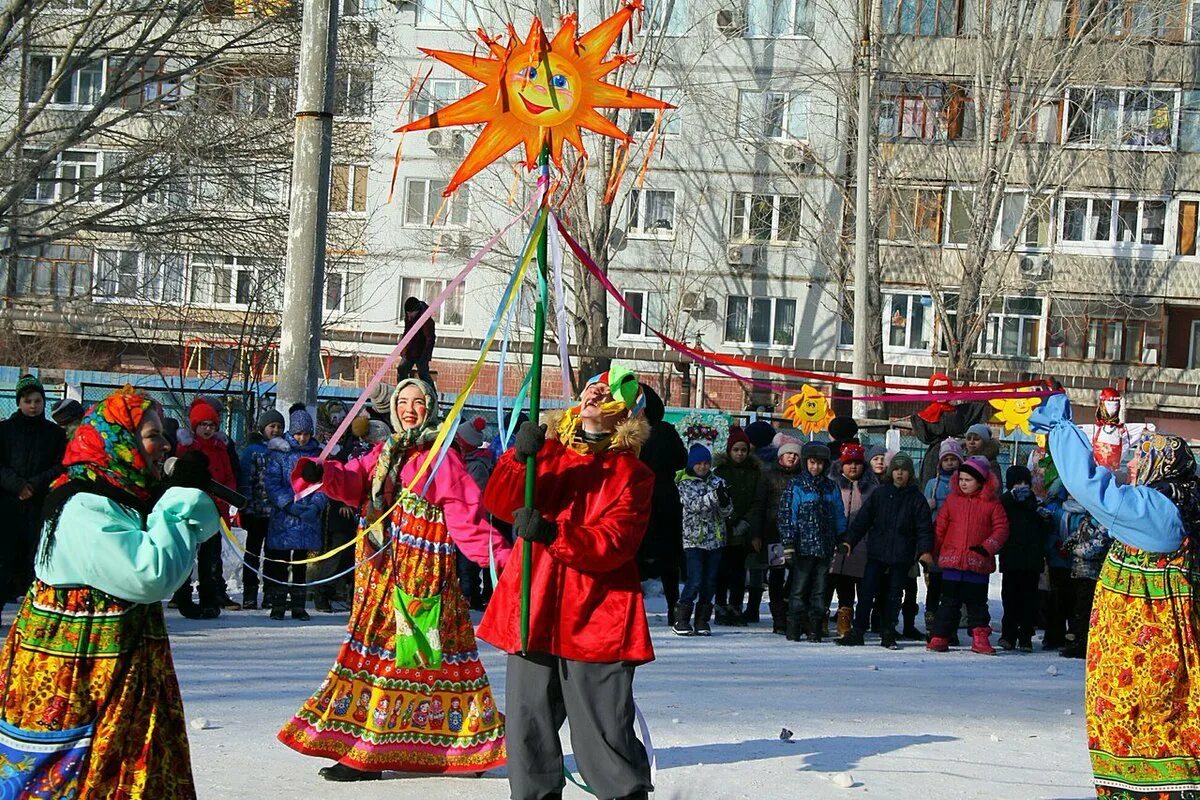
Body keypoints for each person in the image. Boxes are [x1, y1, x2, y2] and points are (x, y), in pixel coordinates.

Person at [279, 379, 510, 781]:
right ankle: (462, 750)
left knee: (415, 663)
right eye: (402, 401)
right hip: (379, 580)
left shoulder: (442, 460)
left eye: (417, 402)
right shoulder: (383, 453)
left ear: (431, 407)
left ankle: (377, 754)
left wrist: (506, 561)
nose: (408, 408)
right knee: (400, 664)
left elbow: (468, 520)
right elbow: (352, 482)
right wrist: (321, 470)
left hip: (421, 582)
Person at [0, 388, 220, 798]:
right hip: (78, 677)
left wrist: (183, 495)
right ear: (118, 441)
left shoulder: (121, 495)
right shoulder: (84, 503)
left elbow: (183, 541)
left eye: (163, 435)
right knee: (71, 780)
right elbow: (152, 574)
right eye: (152, 435)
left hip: (118, 671)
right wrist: (179, 502)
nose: (165, 445)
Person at [478, 365, 655, 800]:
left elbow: (615, 543)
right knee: (527, 725)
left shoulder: (632, 475)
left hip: (597, 617)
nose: (597, 394)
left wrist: (555, 534)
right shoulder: (550, 452)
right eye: (593, 388)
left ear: (628, 415)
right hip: (531, 607)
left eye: (611, 393)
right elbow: (500, 503)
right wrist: (519, 459)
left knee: (604, 731)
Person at [1032, 394, 1200, 798]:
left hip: (1146, 659)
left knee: (1148, 732)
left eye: (1140, 458)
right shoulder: (1176, 505)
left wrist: (1061, 431)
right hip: (1141, 655)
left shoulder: (1159, 512)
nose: (1131, 464)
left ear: (1162, 465)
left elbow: (1094, 490)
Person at [837, 452, 933, 649]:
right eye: (896, 469)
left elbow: (924, 528)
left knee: (894, 595)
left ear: (910, 474)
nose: (899, 474)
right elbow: (863, 520)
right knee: (866, 593)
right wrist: (849, 541)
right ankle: (858, 631)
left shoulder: (916, 498)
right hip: (877, 553)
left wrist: (924, 551)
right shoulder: (880, 494)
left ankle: (888, 632)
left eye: (904, 470)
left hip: (901, 555)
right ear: (891, 472)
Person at [0, 374, 66, 622]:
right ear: (19, 402)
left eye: (37, 401)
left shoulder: (53, 434)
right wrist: (17, 485)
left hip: (38, 505)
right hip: (7, 504)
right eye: (28, 400)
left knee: (35, 560)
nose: (33, 406)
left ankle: (34, 617)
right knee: (3, 560)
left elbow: (59, 466)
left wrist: (35, 485)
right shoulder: (5, 430)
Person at [927, 456, 1009, 655]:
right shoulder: (952, 501)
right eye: (961, 479)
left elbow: (1001, 529)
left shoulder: (992, 504)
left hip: (978, 562)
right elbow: (940, 527)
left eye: (968, 480)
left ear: (981, 481)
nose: (963, 483)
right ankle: (941, 635)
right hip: (952, 562)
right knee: (948, 602)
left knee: (977, 604)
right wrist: (931, 550)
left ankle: (980, 637)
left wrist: (987, 547)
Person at [171, 397, 240, 618]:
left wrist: (226, 499)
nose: (207, 429)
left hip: (214, 510)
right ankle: (183, 597)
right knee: (187, 556)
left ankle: (210, 598)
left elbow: (228, 477)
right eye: (203, 425)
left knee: (211, 558)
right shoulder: (186, 449)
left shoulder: (221, 449)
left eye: (211, 425)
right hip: (191, 511)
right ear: (195, 426)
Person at [262, 409, 328, 621]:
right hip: (284, 518)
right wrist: (288, 504)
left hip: (307, 519)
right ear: (292, 431)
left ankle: (299, 606)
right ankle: (278, 604)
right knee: (281, 563)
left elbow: (324, 485)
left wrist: (316, 507)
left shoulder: (319, 455)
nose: (302, 438)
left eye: (306, 434)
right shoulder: (280, 453)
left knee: (300, 564)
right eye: (298, 433)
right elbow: (272, 483)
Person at [778, 442, 847, 642]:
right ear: (806, 463)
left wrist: (842, 536)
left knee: (820, 590)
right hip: (802, 547)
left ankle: (815, 627)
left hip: (825, 547)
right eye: (812, 462)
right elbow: (787, 514)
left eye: (820, 463)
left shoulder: (830, 486)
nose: (815, 467)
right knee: (798, 589)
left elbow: (838, 513)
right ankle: (794, 626)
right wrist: (789, 543)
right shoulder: (797, 485)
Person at [635, 384, 688, 626]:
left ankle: (633, 610)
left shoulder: (633, 432)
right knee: (669, 560)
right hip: (666, 498)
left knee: (634, 555)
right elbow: (682, 459)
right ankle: (672, 609)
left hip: (639, 499)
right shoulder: (666, 430)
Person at [674, 443, 733, 636]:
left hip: (715, 539)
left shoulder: (718, 482)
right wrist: (716, 497)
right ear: (692, 464)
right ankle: (681, 618)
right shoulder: (685, 483)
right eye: (699, 463)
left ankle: (702, 619)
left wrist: (724, 501)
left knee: (710, 582)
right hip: (694, 540)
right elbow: (694, 505)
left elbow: (727, 512)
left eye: (707, 463)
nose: (703, 467)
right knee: (695, 580)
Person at [753, 437, 804, 635]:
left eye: (794, 454)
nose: (791, 457)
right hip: (774, 534)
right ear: (780, 456)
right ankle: (779, 617)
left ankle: (789, 607)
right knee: (776, 573)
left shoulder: (802, 477)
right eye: (788, 453)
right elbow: (759, 505)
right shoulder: (768, 475)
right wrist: (756, 533)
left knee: (796, 573)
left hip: (798, 535)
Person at [714, 427, 764, 625]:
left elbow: (758, 500)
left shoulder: (754, 472)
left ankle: (736, 607)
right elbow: (719, 499)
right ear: (729, 451)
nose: (740, 454)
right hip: (724, 527)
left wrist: (746, 521)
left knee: (738, 571)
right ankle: (720, 606)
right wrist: (732, 519)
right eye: (736, 450)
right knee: (721, 571)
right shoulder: (721, 472)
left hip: (744, 530)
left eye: (743, 450)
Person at [827, 443, 878, 640]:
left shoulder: (872, 489)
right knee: (842, 581)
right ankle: (843, 616)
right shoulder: (833, 484)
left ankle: (862, 619)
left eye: (857, 463)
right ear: (841, 465)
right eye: (849, 464)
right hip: (838, 543)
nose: (853, 467)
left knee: (864, 584)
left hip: (864, 543)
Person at [236, 409, 286, 610]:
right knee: (253, 553)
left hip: (277, 514)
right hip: (256, 512)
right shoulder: (252, 451)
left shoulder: (283, 450)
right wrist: (245, 505)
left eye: (279, 427)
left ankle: (270, 594)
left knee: (274, 556)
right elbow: (245, 479)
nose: (275, 430)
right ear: (263, 427)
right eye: (272, 426)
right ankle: (249, 593)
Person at [998, 465, 1048, 652]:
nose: (1022, 487)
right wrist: (1011, 497)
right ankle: (1008, 635)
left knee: (1029, 600)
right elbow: (998, 513)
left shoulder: (1034, 503)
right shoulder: (1006, 502)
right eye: (1017, 483)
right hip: (1011, 559)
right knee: (1009, 599)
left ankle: (1025, 636)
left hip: (1031, 561)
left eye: (1025, 483)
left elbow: (1043, 527)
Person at [910, 374, 990, 487]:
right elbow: (924, 436)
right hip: (935, 456)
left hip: (956, 452)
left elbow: (977, 409)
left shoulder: (958, 413)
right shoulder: (924, 416)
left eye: (944, 389)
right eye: (937, 390)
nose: (941, 393)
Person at [923, 438, 964, 638]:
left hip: (956, 541)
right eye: (946, 459)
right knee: (935, 583)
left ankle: (950, 626)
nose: (949, 463)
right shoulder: (932, 484)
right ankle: (932, 620)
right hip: (937, 540)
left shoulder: (962, 484)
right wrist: (928, 507)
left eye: (953, 459)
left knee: (952, 587)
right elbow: (923, 513)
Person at [454, 417, 496, 610]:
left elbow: (477, 496)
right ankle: (468, 594)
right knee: (463, 562)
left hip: (474, 521)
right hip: (462, 518)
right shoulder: (464, 462)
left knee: (468, 563)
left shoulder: (476, 466)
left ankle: (471, 596)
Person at [1059, 511, 1112, 660]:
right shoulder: (1086, 521)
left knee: (1086, 610)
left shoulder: (1102, 523)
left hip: (1093, 574)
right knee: (1078, 609)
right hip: (1078, 571)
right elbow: (1076, 535)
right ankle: (1076, 640)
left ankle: (1083, 644)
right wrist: (1068, 543)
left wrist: (1074, 549)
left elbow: (1097, 547)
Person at [397, 296, 436, 387]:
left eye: (411, 313)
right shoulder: (409, 317)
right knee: (401, 369)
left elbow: (430, 339)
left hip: (422, 350)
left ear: (417, 311)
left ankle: (432, 394)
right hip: (411, 350)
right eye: (407, 313)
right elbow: (407, 331)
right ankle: (402, 390)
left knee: (423, 374)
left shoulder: (426, 320)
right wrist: (403, 348)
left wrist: (426, 356)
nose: (409, 315)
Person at [964, 423, 1005, 490]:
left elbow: (996, 490)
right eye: (968, 439)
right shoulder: (965, 461)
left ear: (985, 442)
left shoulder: (991, 464)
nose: (971, 442)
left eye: (976, 439)